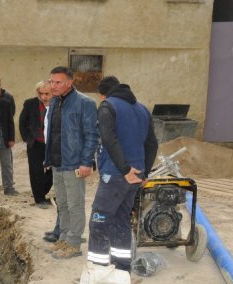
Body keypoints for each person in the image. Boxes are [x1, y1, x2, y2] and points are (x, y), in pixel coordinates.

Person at [86, 76, 158, 272]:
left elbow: (109, 139)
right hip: (136, 176)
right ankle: (122, 269)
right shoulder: (142, 109)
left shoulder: (108, 106)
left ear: (103, 95)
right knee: (121, 221)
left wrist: (125, 169)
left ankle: (98, 272)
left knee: (99, 223)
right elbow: (152, 143)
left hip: (116, 174)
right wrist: (143, 173)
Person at [44, 66, 99, 259]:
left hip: (75, 164)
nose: (53, 85)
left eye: (58, 82)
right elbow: (52, 133)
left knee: (75, 205)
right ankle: (64, 239)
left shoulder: (85, 103)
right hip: (58, 163)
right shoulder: (55, 102)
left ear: (70, 82)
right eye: (51, 81)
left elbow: (92, 134)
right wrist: (48, 158)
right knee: (63, 204)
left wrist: (87, 162)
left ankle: (74, 244)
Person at [19, 80, 53, 206]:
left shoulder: (58, 104)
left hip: (52, 144)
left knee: (54, 171)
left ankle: (41, 193)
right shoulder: (30, 104)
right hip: (36, 143)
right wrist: (27, 139)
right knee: (36, 171)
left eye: (47, 94)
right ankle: (40, 199)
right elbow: (22, 122)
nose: (43, 97)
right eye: (41, 94)